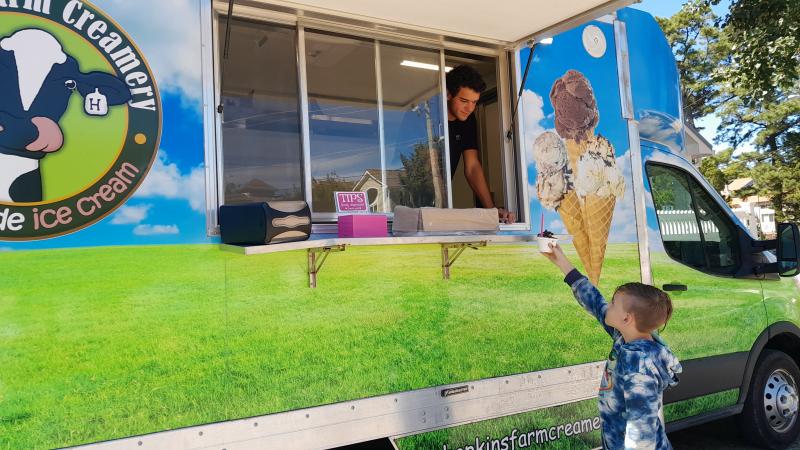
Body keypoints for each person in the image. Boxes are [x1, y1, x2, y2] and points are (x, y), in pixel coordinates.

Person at [541, 242, 682, 450]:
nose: (609, 305)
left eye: (614, 303)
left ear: (627, 318)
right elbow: (595, 302)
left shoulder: (639, 367)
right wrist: (560, 261)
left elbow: (642, 433)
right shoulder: (624, 337)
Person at [446, 65, 515, 224]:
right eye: (464, 101)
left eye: (474, 102)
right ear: (448, 94)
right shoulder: (426, 116)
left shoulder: (468, 120)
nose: (469, 108)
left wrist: (491, 211)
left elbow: (472, 167)